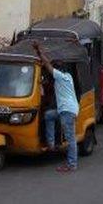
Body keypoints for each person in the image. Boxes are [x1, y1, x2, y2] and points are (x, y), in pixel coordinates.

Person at [33, 41, 79, 173]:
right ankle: (51, 144)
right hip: (67, 109)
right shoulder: (68, 77)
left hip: (67, 111)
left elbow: (47, 64)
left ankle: (72, 164)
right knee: (48, 115)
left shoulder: (59, 76)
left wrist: (39, 51)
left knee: (70, 139)